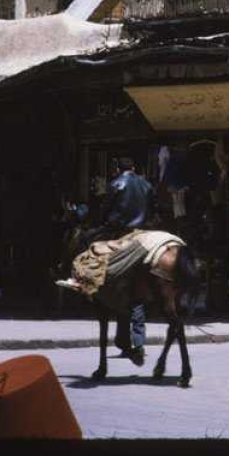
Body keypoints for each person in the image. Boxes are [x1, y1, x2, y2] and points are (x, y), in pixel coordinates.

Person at [97, 157, 157, 366]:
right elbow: (153, 208)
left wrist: (101, 222)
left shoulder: (115, 183)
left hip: (119, 234)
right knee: (138, 291)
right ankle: (137, 341)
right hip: (142, 236)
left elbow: (104, 211)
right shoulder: (147, 184)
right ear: (134, 168)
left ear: (117, 169)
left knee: (88, 252)